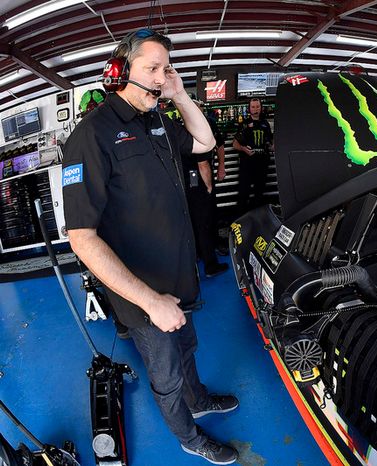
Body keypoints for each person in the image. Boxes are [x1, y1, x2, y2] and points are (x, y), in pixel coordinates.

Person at [61, 28, 239, 465]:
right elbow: (81, 237)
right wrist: (150, 301)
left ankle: (198, 401)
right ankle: (188, 436)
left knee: (188, 349)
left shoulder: (157, 118)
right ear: (119, 71)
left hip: (180, 275)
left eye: (167, 69)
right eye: (153, 69)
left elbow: (205, 143)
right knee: (167, 374)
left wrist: (179, 95)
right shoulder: (92, 136)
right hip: (143, 294)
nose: (161, 78)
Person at [181, 99, 229, 278]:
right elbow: (203, 165)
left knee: (196, 221)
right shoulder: (197, 131)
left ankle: (200, 253)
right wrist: (209, 187)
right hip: (198, 181)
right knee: (204, 222)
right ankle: (210, 265)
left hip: (186, 182)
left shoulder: (183, 128)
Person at [232, 98, 273, 214]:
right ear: (249, 108)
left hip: (262, 165)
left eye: (257, 106)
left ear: (261, 108)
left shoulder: (265, 124)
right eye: (253, 107)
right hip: (247, 165)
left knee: (259, 195)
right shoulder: (244, 124)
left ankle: (256, 222)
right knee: (243, 194)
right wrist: (244, 149)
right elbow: (235, 144)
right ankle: (239, 222)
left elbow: (270, 143)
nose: (255, 109)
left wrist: (272, 147)